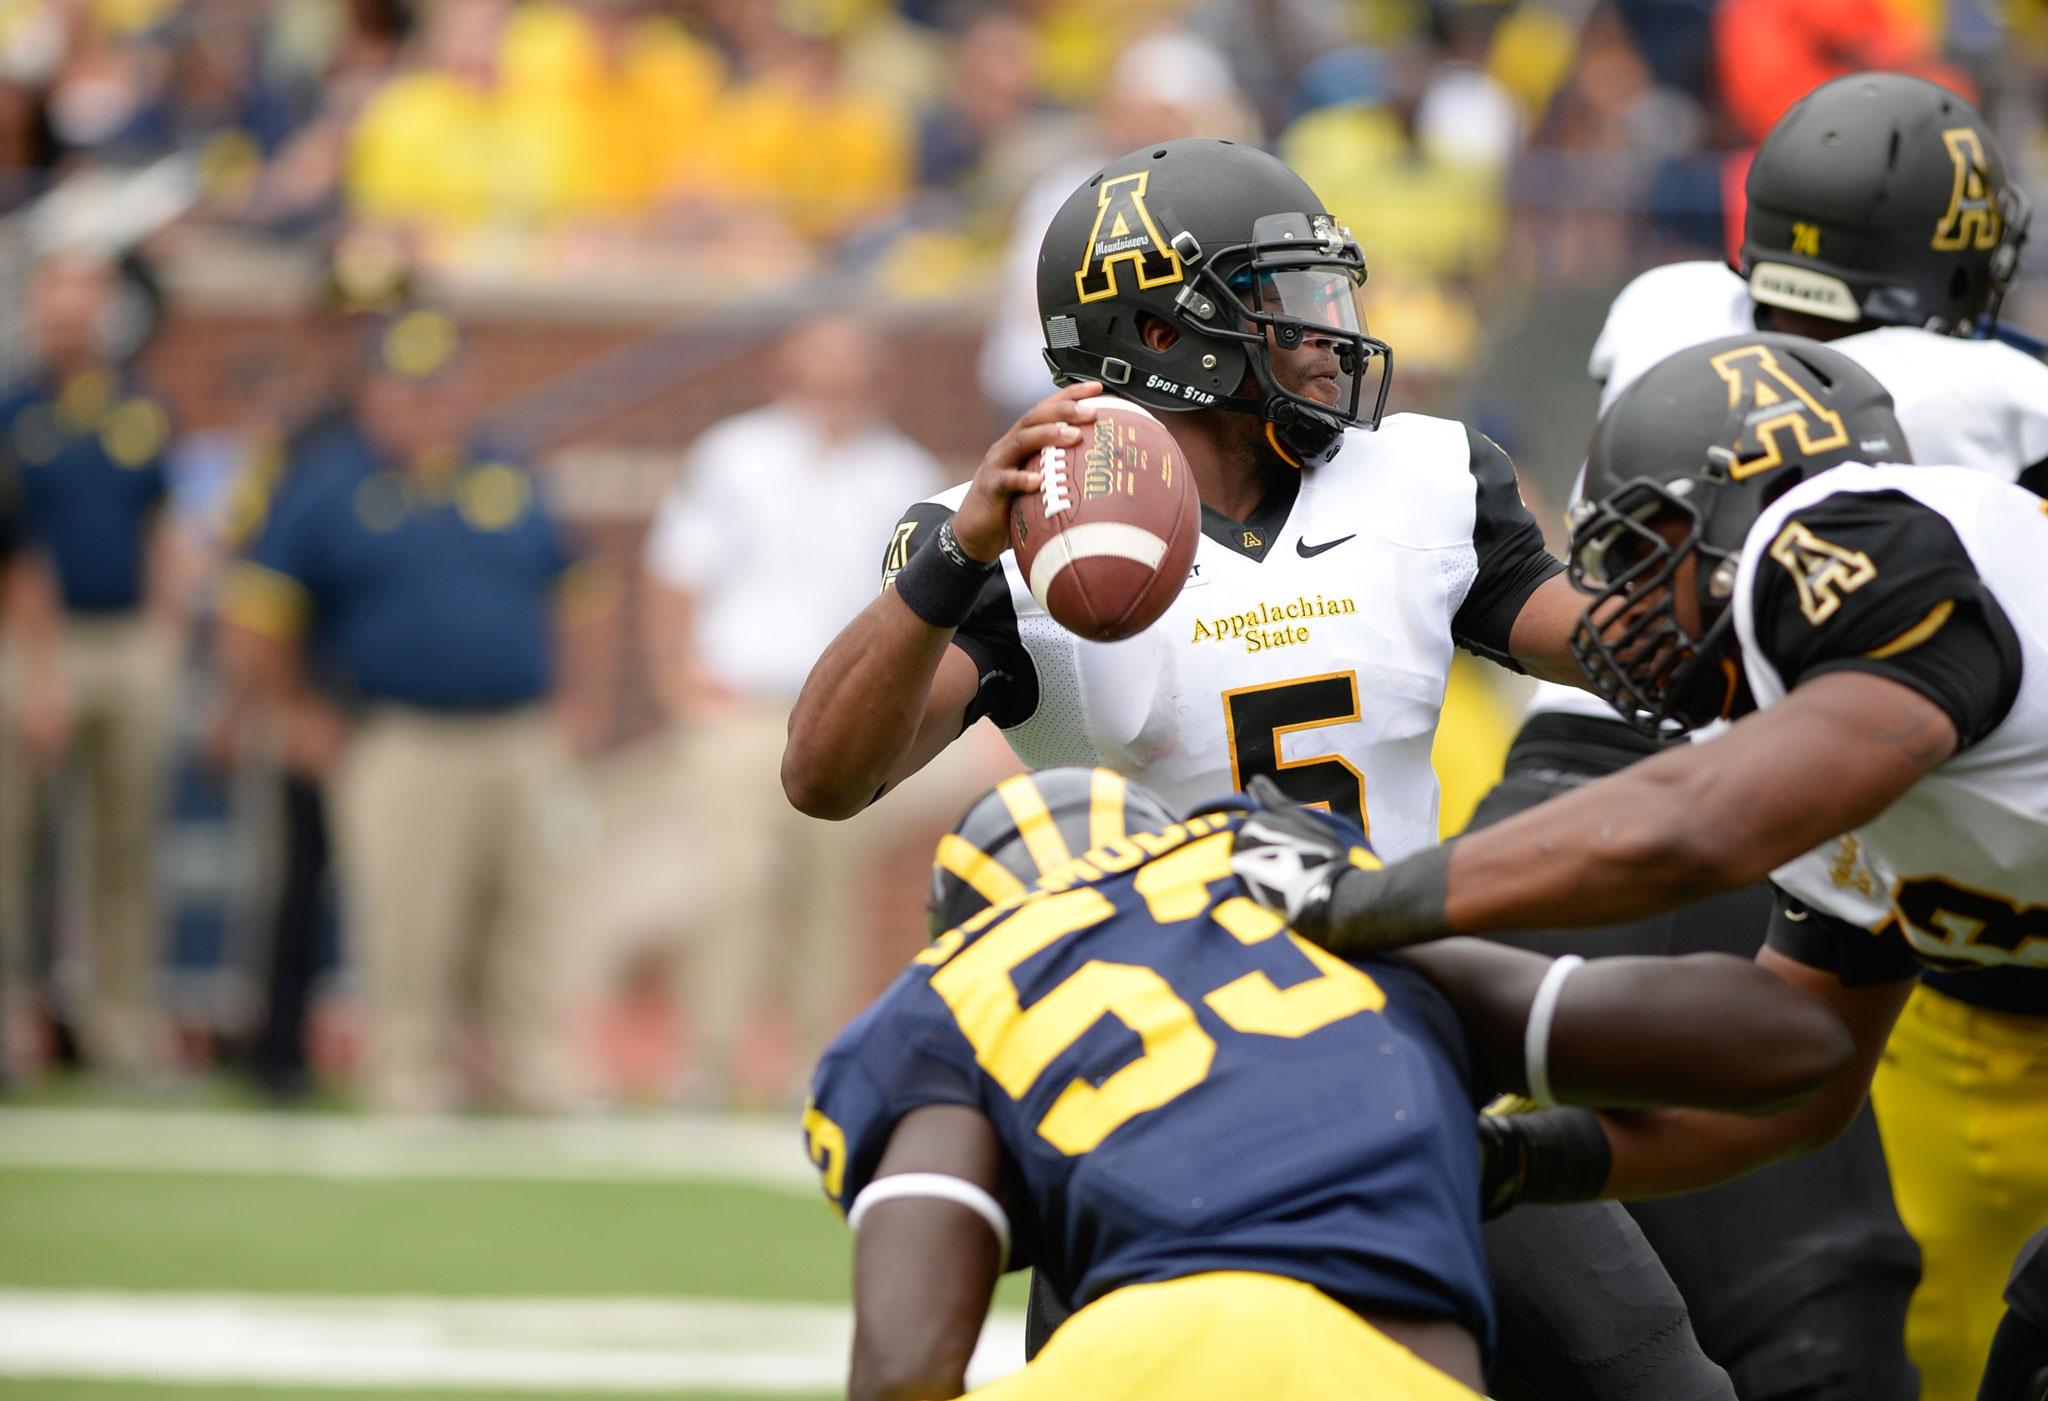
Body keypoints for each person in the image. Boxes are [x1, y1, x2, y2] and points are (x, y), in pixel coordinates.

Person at [784, 135, 1730, 1396]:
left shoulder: (1426, 477)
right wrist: (954, 557)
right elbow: (826, 774)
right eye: (1281, 301)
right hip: (1154, 1067)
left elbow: (1614, 650)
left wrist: (1724, 590)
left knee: (1651, 1372)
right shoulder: (1016, 528)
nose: (1326, 332)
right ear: (1162, 336)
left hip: (1398, 1031)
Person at [1230, 330, 2048, 1398]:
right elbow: (1795, 1075)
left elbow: (1694, 828)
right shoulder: (1827, 733)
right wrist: (1514, 1163)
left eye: (1634, 552)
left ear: (1736, 505)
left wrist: (1356, 901)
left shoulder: (1852, 534)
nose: (1613, 608)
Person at [1491, 70, 2042, 1400]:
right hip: (1772, 799)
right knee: (1826, 1319)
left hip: (1558, 783)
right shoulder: (1993, 388)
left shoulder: (1665, 305)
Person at [804, 766, 1857, 1400]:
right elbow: (1789, 1047)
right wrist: (1505, 1149)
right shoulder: (1317, 929)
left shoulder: (951, 997)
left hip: (1145, 1348)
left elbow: (902, 1368)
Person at [217, 307, 608, 1114]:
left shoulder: (507, 470)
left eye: (442, 389)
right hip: (402, 734)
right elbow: (258, 614)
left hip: (518, 732)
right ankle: (408, 1070)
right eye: (408, 391)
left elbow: (577, 589)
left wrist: (580, 700)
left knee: (532, 911)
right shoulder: (327, 482)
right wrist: (297, 708)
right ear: (374, 396)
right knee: (409, 917)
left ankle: (530, 1068)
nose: (428, 407)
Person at [639, 310, 947, 1106]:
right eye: (819, 374)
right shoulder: (736, 456)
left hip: (846, 710)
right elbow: (676, 567)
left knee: (829, 892)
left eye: (848, 376)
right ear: (787, 376)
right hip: (743, 702)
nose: (833, 392)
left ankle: (815, 1066)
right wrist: (678, 675)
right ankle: (705, 1064)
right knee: (732, 881)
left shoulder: (902, 474)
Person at [0, 247, 190, 1077]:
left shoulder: (140, 406)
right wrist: (39, 671)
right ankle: (13, 1024)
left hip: (126, 641)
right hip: (35, 641)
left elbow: (163, 523)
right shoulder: (13, 409)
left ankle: (120, 1024)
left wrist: (165, 637)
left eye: (87, 293)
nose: (73, 310)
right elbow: (17, 551)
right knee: (13, 843)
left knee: (126, 844)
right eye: (59, 293)